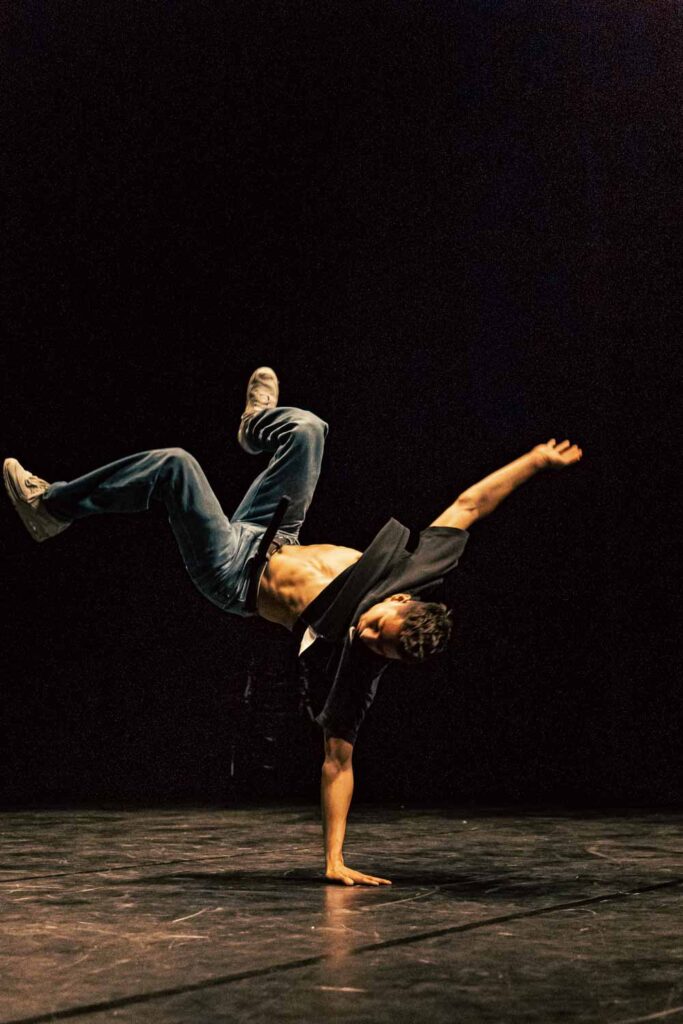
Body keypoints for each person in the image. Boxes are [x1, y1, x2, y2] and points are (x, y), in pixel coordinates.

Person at [4, 367, 583, 886]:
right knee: (308, 429)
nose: (368, 638)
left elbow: (339, 762)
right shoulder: (416, 568)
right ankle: (257, 423)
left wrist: (334, 860)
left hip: (233, 575)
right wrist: (535, 461)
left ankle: (50, 509)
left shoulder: (357, 669)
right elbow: (469, 507)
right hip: (275, 531)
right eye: (379, 627)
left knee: (175, 466)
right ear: (402, 598)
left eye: (382, 651)